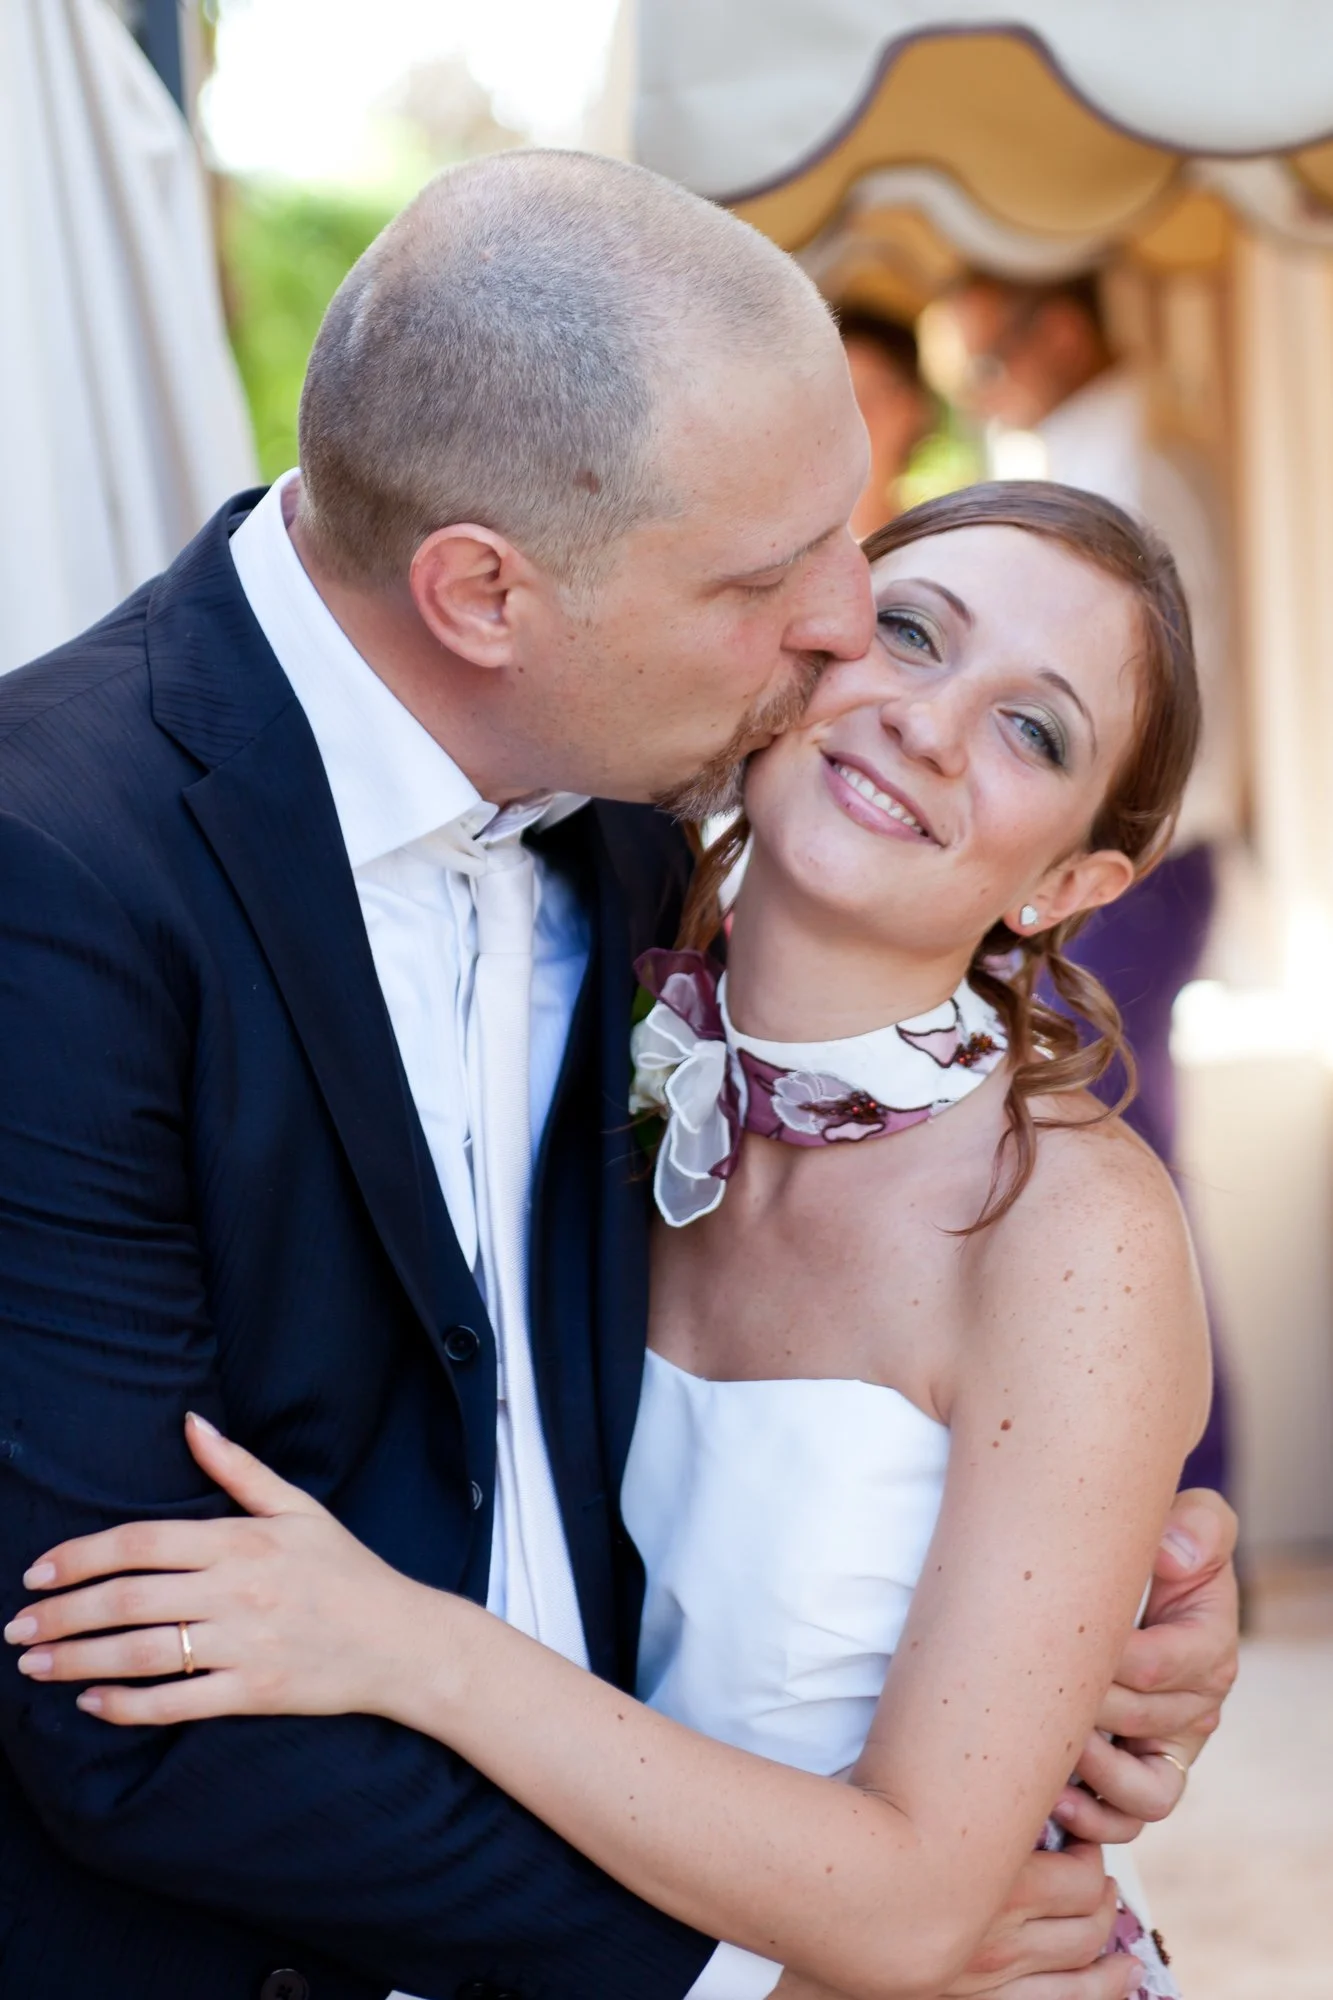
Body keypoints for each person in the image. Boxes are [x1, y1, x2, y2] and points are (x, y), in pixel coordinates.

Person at [0, 148, 1238, 2000]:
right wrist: (775, 1961)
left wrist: (1096, 1609)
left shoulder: (632, 841)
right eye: (793, 583)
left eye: (857, 534)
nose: (842, 632)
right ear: (483, 595)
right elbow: (124, 1702)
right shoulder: (60, 872)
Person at [929, 273, 1240, 1494]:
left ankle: (1171, 1502)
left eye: (986, 368)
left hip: (1129, 872)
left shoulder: (1130, 468)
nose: (981, 399)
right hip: (1121, 867)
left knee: (1109, 1162)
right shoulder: (1102, 447)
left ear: (1053, 322)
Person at [837, 307, 935, 539]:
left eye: (866, 394)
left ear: (912, 407)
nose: (849, 417)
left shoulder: (934, 546)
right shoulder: (777, 558)